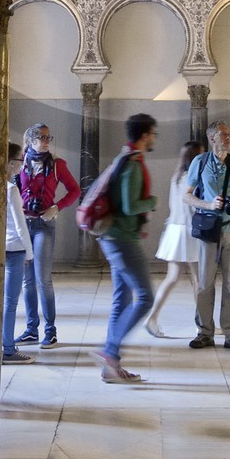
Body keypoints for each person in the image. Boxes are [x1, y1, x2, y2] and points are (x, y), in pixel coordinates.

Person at [96, 112, 158, 384]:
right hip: (122, 240)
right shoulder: (132, 164)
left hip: (115, 237)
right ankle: (109, 352)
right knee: (145, 298)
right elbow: (130, 206)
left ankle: (111, 367)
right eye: (153, 133)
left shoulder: (125, 157)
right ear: (145, 135)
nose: (154, 138)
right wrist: (152, 201)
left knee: (122, 299)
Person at [185, 120, 230, 351]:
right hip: (209, 232)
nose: (228, 137)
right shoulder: (200, 162)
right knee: (205, 284)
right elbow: (186, 196)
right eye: (223, 134)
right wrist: (208, 204)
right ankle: (204, 332)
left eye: (229, 134)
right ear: (212, 138)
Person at [16, 122, 80, 348]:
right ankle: (31, 329)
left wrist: (57, 207)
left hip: (44, 224)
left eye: (48, 137)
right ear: (31, 140)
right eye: (42, 137)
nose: (46, 141)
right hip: (23, 223)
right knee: (27, 280)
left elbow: (75, 190)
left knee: (43, 279)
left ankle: (50, 330)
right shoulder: (21, 163)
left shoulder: (56, 165)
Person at [146, 139, 204, 338]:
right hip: (189, 230)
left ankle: (152, 318)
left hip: (174, 230)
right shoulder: (193, 178)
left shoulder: (176, 177)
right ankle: (202, 325)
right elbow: (195, 205)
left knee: (172, 278)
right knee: (198, 280)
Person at [3, 143, 35, 365]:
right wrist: (29, 253)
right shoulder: (10, 189)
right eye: (19, 160)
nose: (22, 164)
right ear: (9, 162)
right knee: (10, 302)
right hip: (14, 248)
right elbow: (20, 224)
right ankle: (7, 348)